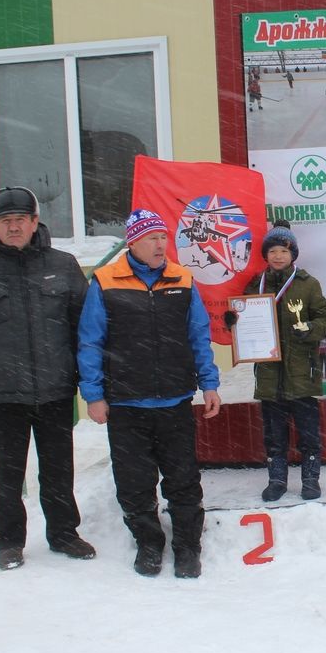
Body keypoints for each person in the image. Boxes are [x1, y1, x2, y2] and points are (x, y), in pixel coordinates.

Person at [0, 186, 94, 571]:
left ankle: (63, 534)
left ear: (35, 222)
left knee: (58, 469)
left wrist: (89, 380)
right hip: (1, 394)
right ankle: (8, 542)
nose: (14, 228)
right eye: (6, 221)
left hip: (56, 389)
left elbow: (87, 328)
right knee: (8, 473)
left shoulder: (63, 265)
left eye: (20, 220)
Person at [78, 208, 221, 579]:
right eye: (151, 238)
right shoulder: (106, 281)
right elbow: (91, 342)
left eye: (163, 237)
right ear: (133, 242)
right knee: (134, 482)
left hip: (174, 401)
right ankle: (149, 544)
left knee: (183, 478)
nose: (160, 245)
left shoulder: (183, 279)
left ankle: (188, 547)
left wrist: (209, 384)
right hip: (126, 405)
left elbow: (198, 337)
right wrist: (93, 395)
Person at [233, 220, 326, 502]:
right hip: (268, 374)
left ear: (293, 256)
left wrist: (310, 330)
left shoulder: (308, 284)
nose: (278, 256)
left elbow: (325, 318)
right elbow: (242, 319)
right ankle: (277, 479)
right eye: (273, 250)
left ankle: (311, 479)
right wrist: (233, 320)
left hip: (302, 372)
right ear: (266, 254)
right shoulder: (255, 285)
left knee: (308, 433)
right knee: (274, 435)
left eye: (284, 251)